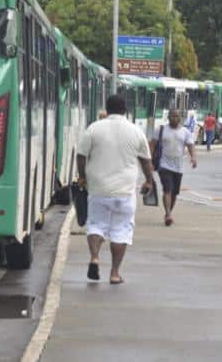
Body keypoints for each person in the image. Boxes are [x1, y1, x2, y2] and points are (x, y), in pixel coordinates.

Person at [76, 95, 153, 284]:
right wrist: (149, 181)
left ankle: (95, 257)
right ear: (125, 110)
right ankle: (114, 273)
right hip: (125, 192)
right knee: (121, 231)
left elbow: (81, 155)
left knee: (95, 225)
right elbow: (146, 161)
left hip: (98, 189)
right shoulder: (136, 131)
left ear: (107, 109)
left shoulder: (94, 129)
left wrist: (83, 177)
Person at [150, 109, 198, 227]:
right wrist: (150, 160)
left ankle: (168, 213)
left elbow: (190, 146)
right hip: (163, 165)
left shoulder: (185, 132)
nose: (174, 119)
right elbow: (152, 145)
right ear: (168, 117)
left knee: (174, 193)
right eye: (172, 116)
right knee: (167, 189)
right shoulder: (161, 130)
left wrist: (193, 158)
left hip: (178, 167)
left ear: (180, 118)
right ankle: (168, 214)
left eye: (177, 116)